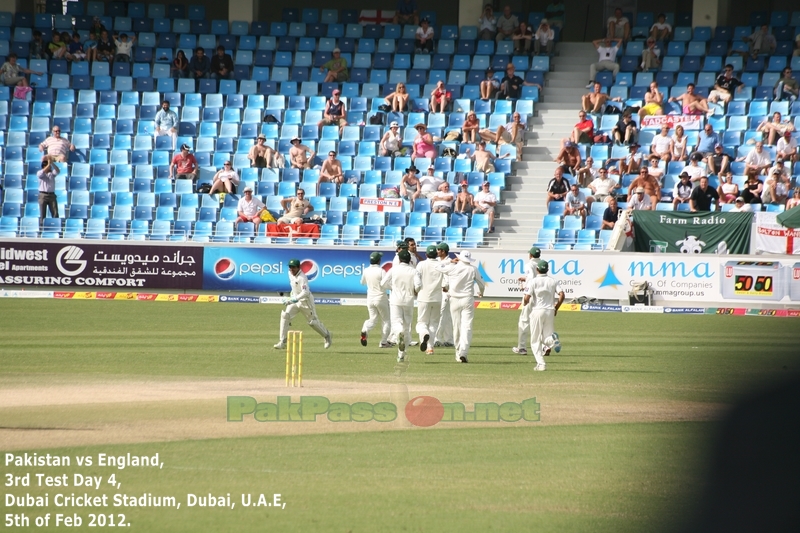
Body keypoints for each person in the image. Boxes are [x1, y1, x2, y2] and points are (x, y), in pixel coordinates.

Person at [436, 251, 485, 363]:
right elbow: (481, 283)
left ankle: (458, 353)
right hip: (467, 299)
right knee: (467, 327)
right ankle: (463, 352)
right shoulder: (473, 269)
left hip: (454, 299)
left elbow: (437, 266)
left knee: (456, 326)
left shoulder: (453, 268)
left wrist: (450, 261)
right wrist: (481, 292)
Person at [274, 259, 332, 350]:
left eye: (293, 267)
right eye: (290, 267)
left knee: (313, 322)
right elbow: (294, 286)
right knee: (285, 315)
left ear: (298, 267)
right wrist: (292, 295)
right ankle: (282, 341)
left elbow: (305, 292)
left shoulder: (302, 278)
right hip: (295, 301)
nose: (291, 269)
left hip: (306, 302)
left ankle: (327, 335)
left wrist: (294, 299)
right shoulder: (290, 274)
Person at [382, 249, 421, 363]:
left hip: (395, 300)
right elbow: (419, 285)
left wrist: (392, 287)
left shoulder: (394, 270)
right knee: (407, 326)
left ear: (399, 259)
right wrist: (414, 291)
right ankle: (401, 355)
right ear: (410, 260)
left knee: (396, 323)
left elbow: (383, 283)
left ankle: (399, 334)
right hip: (409, 300)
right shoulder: (413, 271)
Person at [524, 260, 564, 371]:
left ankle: (541, 364)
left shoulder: (533, 281)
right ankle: (553, 341)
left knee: (535, 340)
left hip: (537, 311)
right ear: (547, 269)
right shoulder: (553, 281)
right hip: (550, 310)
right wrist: (557, 307)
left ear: (537, 270)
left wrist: (525, 302)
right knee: (546, 337)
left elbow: (526, 298)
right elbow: (562, 294)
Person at [512, 246, 542, 355]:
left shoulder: (529, 265)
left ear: (531, 255)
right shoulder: (542, 263)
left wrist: (525, 288)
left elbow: (531, 279)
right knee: (539, 321)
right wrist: (525, 279)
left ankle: (522, 347)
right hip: (540, 295)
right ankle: (545, 346)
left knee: (524, 320)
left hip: (530, 295)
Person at [415, 245, 444, 355]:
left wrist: (417, 290)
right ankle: (430, 347)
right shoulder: (441, 265)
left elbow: (416, 279)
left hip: (423, 297)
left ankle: (424, 334)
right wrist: (445, 287)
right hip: (437, 298)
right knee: (434, 323)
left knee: (422, 322)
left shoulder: (421, 264)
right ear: (436, 254)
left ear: (426, 255)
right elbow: (446, 281)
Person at [360, 252, 392, 349]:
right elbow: (385, 284)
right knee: (386, 320)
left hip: (370, 299)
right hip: (381, 298)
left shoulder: (366, 270)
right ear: (379, 260)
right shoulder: (381, 271)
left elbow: (362, 282)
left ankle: (365, 329)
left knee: (372, 319)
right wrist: (392, 288)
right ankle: (383, 342)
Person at [434, 243, 454, 348]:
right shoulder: (440, 261)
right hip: (438, 291)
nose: (437, 251)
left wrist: (447, 286)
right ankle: (449, 340)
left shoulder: (451, 263)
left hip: (446, 291)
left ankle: (437, 338)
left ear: (443, 251)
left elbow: (449, 277)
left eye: (439, 250)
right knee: (446, 316)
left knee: (442, 315)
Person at [37, 159, 59, 226]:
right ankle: (41, 229)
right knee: (42, 214)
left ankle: (56, 227)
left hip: (51, 195)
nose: (50, 167)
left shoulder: (51, 174)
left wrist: (52, 163)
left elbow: (57, 170)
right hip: (43, 195)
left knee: (55, 213)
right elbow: (41, 173)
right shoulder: (40, 173)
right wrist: (48, 164)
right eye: (48, 166)